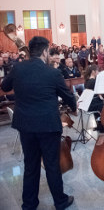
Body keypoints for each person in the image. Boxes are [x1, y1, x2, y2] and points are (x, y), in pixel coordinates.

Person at [1, 36, 76, 209]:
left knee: (30, 164)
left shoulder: (17, 68)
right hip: (48, 126)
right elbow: (68, 96)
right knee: (52, 165)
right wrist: (73, 106)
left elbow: (5, 86)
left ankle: (29, 204)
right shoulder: (53, 72)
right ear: (44, 51)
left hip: (26, 126)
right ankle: (60, 202)